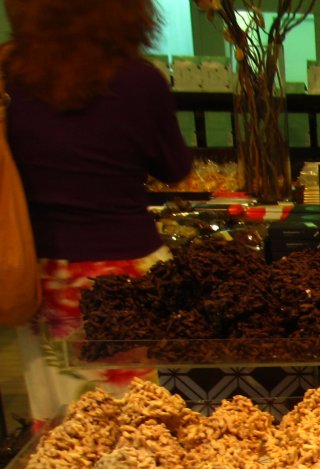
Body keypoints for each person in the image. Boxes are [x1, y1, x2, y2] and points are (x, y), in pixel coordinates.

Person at [2, 0, 193, 428]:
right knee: (144, 422)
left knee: (63, 422)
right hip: (128, 273)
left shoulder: (11, 78)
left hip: (46, 277)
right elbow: (175, 167)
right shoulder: (139, 81)